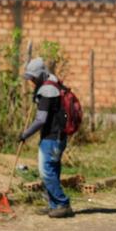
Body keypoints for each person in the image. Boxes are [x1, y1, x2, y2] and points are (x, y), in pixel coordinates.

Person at [19, 57, 74, 218]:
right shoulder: (52, 83)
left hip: (52, 138)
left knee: (46, 172)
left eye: (33, 77)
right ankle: (54, 204)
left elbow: (41, 120)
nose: (32, 81)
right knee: (53, 170)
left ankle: (63, 204)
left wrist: (25, 134)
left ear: (41, 74)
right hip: (58, 136)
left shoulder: (48, 91)